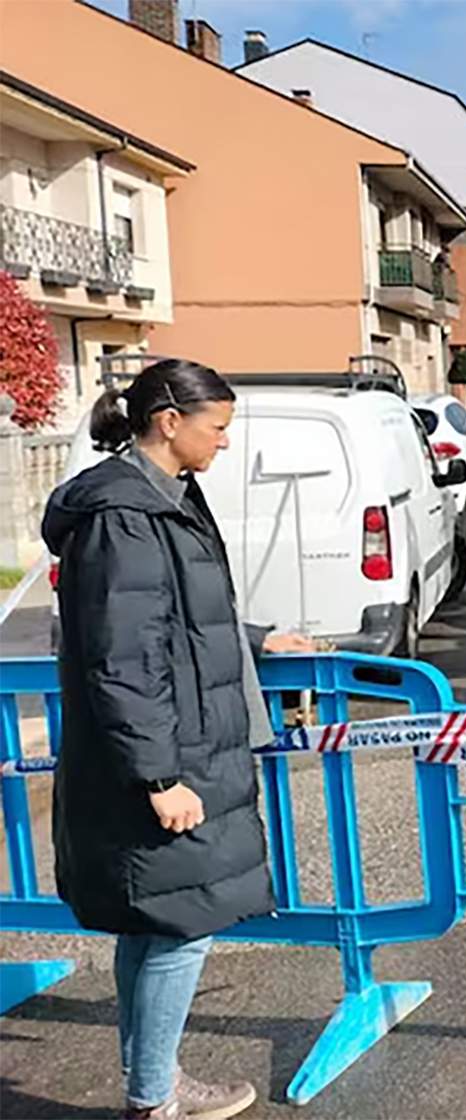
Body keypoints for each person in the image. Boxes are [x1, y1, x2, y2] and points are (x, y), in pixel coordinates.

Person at [42, 359, 315, 1120]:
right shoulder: (123, 516)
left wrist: (257, 639)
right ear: (170, 421)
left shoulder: (164, 500)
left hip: (179, 747)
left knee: (155, 923)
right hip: (162, 762)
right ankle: (154, 1098)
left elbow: (173, 622)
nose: (225, 444)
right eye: (217, 428)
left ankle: (151, 1085)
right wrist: (160, 779)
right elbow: (121, 657)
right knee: (182, 927)